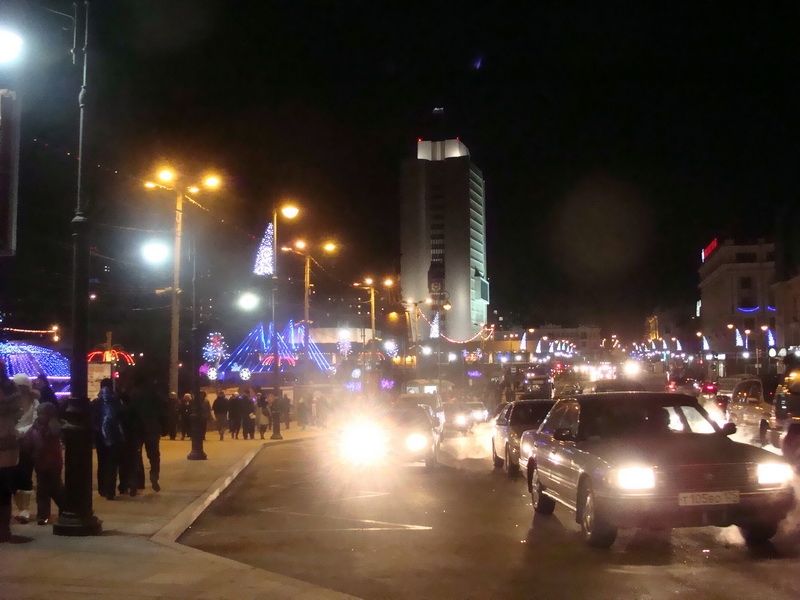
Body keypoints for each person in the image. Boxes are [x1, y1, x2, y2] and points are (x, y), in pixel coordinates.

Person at [28, 402, 64, 524]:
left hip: (53, 462)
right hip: (40, 461)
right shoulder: (35, 427)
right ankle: (43, 515)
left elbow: (57, 435)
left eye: (42, 413)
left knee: (56, 487)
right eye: (39, 413)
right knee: (42, 489)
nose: (40, 416)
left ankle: (65, 507)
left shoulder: (54, 427)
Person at [128, 370, 164, 493]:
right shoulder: (153, 393)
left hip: (136, 428)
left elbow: (129, 411)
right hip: (152, 428)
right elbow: (162, 409)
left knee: (135, 456)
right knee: (154, 455)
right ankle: (154, 476)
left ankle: (134, 481)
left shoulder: (133, 393)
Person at [0, 361, 22, 542]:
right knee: (4, 491)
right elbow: (17, 414)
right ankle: (4, 529)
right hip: (8, 443)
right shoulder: (12, 391)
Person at [12, 373, 39, 524]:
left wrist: (25, 431)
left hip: (28, 444)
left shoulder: (35, 403)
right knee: (12, 477)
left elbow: (36, 419)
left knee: (26, 475)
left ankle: (25, 509)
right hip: (11, 444)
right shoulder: (10, 403)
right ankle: (19, 508)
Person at [96, 378, 126, 500]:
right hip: (114, 437)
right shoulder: (117, 401)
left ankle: (102, 488)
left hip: (100, 438)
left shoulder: (96, 402)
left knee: (102, 463)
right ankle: (110, 490)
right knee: (112, 464)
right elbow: (122, 419)